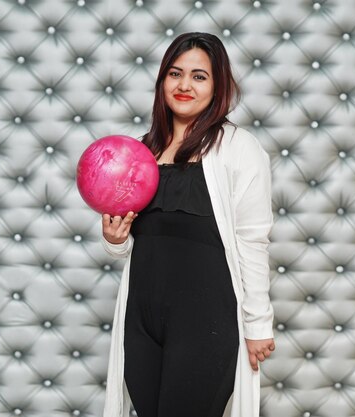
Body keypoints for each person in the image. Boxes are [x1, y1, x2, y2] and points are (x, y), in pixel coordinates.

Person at [100, 32, 275, 417]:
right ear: (162, 79)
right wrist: (114, 240)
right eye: (175, 74)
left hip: (205, 319)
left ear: (218, 86)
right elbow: (136, 240)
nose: (184, 85)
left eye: (199, 76)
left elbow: (251, 239)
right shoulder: (139, 151)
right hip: (142, 318)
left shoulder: (238, 147)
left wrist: (258, 322)